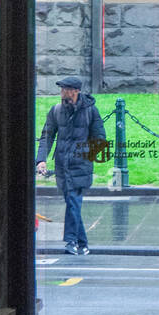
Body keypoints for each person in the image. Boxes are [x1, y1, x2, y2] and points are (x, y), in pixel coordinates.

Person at [36, 76, 107, 256]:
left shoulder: (91, 111)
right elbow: (47, 136)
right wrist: (41, 160)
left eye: (66, 89)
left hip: (81, 166)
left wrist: (85, 154)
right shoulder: (56, 111)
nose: (62, 92)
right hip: (62, 166)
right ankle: (82, 244)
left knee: (74, 201)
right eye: (61, 89)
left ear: (76, 91)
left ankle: (70, 240)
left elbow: (100, 139)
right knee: (72, 203)